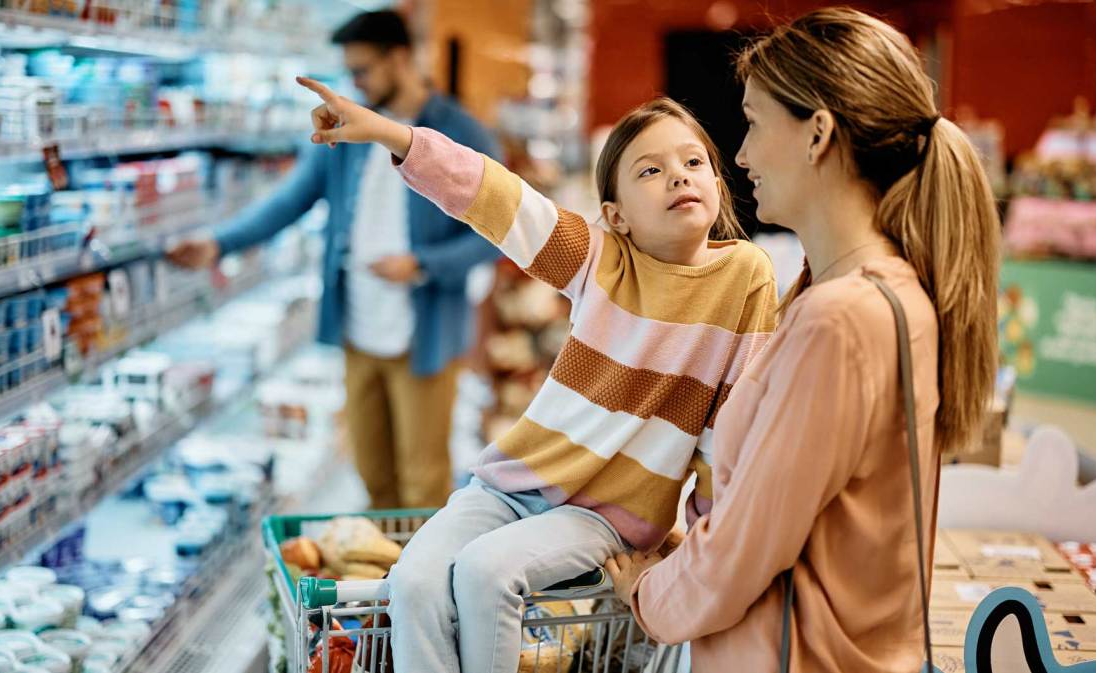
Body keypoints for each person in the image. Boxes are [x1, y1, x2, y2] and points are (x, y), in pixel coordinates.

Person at [297, 75, 778, 673]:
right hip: (509, 486)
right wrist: (394, 136)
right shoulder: (601, 261)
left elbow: (725, 435)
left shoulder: (746, 277)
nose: (679, 175)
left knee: (485, 571)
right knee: (411, 583)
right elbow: (501, 200)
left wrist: (699, 553)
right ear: (616, 216)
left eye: (693, 161)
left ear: (716, 179)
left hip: (605, 516)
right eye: (649, 171)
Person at [603, 8, 1001, 673]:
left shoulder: (839, 319)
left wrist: (647, 591)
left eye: (755, 122)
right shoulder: (875, 292)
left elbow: (743, 552)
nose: (741, 154)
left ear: (817, 133)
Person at [167, 11, 500, 510]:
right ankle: (389, 578)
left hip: (423, 337)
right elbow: (290, 200)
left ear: (401, 58)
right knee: (371, 475)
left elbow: (494, 234)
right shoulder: (351, 130)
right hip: (358, 329)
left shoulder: (460, 131)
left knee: (423, 479)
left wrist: (423, 264)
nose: (355, 84)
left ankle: (421, 584)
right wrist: (219, 244)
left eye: (363, 71)